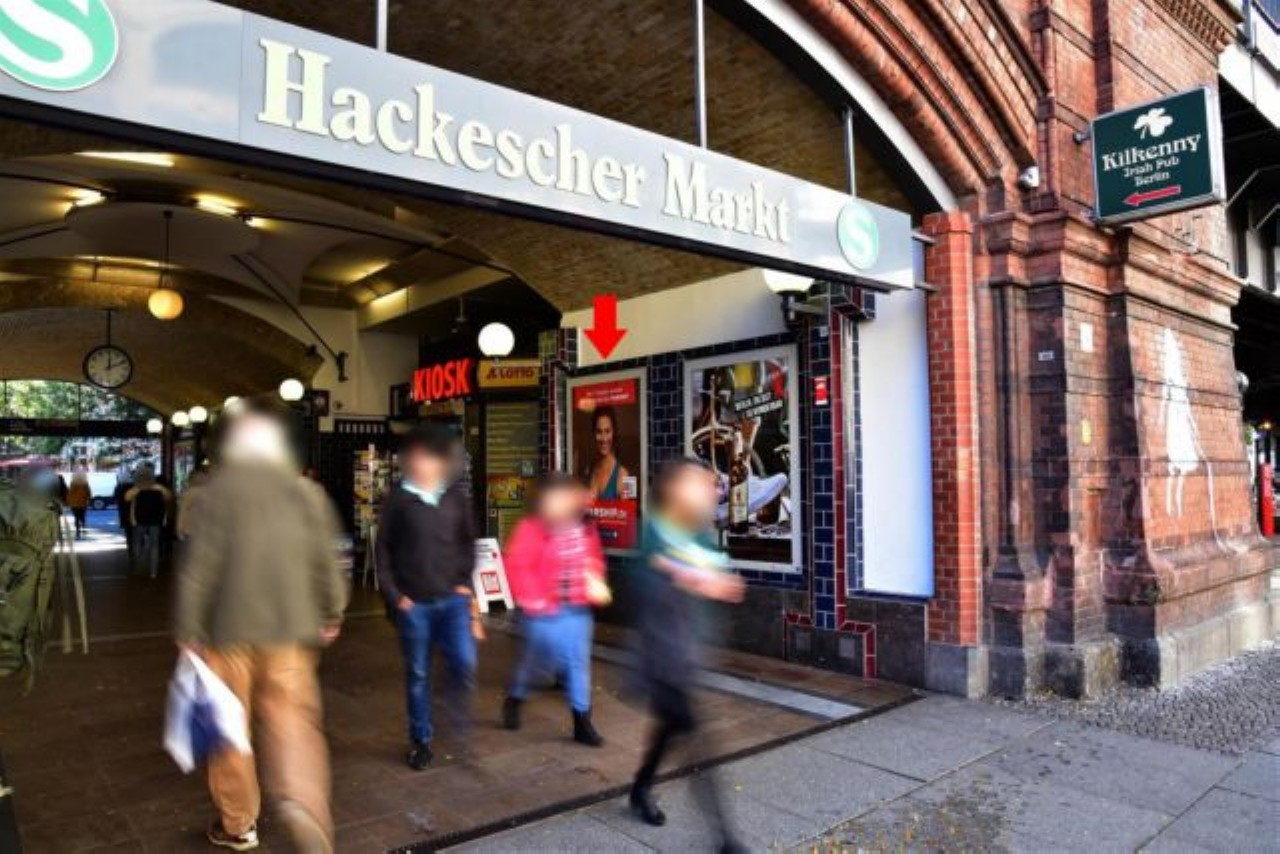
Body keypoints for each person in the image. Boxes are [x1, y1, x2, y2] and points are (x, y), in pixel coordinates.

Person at [174, 405, 348, 852]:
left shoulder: (218, 494)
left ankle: (238, 824)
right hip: (290, 628)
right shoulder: (307, 493)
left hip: (227, 631)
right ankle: (302, 801)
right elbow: (327, 562)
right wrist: (332, 612)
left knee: (230, 728)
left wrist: (188, 629)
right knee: (294, 722)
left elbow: (200, 571)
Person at [629, 458, 746, 852]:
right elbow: (647, 580)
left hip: (685, 657)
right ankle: (725, 839)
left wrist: (709, 579)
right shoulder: (655, 532)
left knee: (668, 729)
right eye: (700, 483)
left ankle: (641, 786)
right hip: (659, 660)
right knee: (699, 741)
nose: (712, 490)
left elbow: (718, 575)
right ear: (674, 489)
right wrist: (691, 576)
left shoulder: (698, 535)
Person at [376, 424, 479, 770]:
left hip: (453, 600)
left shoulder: (454, 497)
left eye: (429, 457)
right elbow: (383, 552)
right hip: (414, 605)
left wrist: (464, 581)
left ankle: (448, 703)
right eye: (417, 457)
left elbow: (468, 541)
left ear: (440, 461)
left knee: (464, 660)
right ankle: (421, 739)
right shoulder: (398, 500)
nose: (422, 463)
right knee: (418, 673)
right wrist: (395, 596)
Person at [501, 473, 609, 746]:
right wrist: (534, 600)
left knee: (577, 664)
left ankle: (582, 722)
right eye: (554, 499)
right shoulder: (531, 528)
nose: (560, 504)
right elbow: (517, 566)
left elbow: (594, 559)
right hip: (542, 613)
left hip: (577, 610)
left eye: (565, 497)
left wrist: (594, 579)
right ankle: (515, 697)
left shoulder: (586, 526)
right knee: (535, 665)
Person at [127, 467, 171, 579]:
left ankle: (138, 568)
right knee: (154, 546)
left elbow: (127, 498)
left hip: (139, 520)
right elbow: (168, 498)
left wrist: (137, 488)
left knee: (137, 544)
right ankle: (153, 572)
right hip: (155, 520)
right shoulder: (159, 488)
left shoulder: (137, 488)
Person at [585, 407, 630, 499]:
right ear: (593, 434)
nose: (604, 439)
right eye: (599, 432)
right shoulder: (588, 470)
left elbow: (632, 508)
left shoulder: (627, 478)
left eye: (607, 431)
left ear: (614, 433)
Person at [67, 471, 91, 539]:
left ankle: (78, 533)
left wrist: (68, 502)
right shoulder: (85, 483)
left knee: (76, 518)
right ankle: (84, 530)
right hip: (83, 503)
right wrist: (88, 500)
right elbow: (89, 493)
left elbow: (70, 493)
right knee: (83, 517)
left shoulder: (73, 483)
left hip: (74, 504)